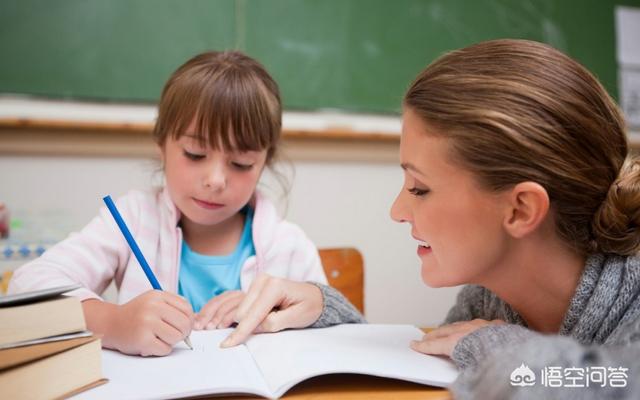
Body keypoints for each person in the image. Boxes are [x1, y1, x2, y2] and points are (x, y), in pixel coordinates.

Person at [220, 39, 640, 398]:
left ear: (521, 210)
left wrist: (494, 344)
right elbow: (426, 360)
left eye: (419, 188)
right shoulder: (491, 296)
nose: (397, 211)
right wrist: (324, 309)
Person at [8, 51, 327, 357]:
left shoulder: (288, 246)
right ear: (162, 146)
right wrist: (113, 323)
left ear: (264, 162)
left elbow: (345, 334)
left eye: (241, 163)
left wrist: (319, 303)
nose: (216, 179)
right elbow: (26, 287)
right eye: (195, 154)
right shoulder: (132, 219)